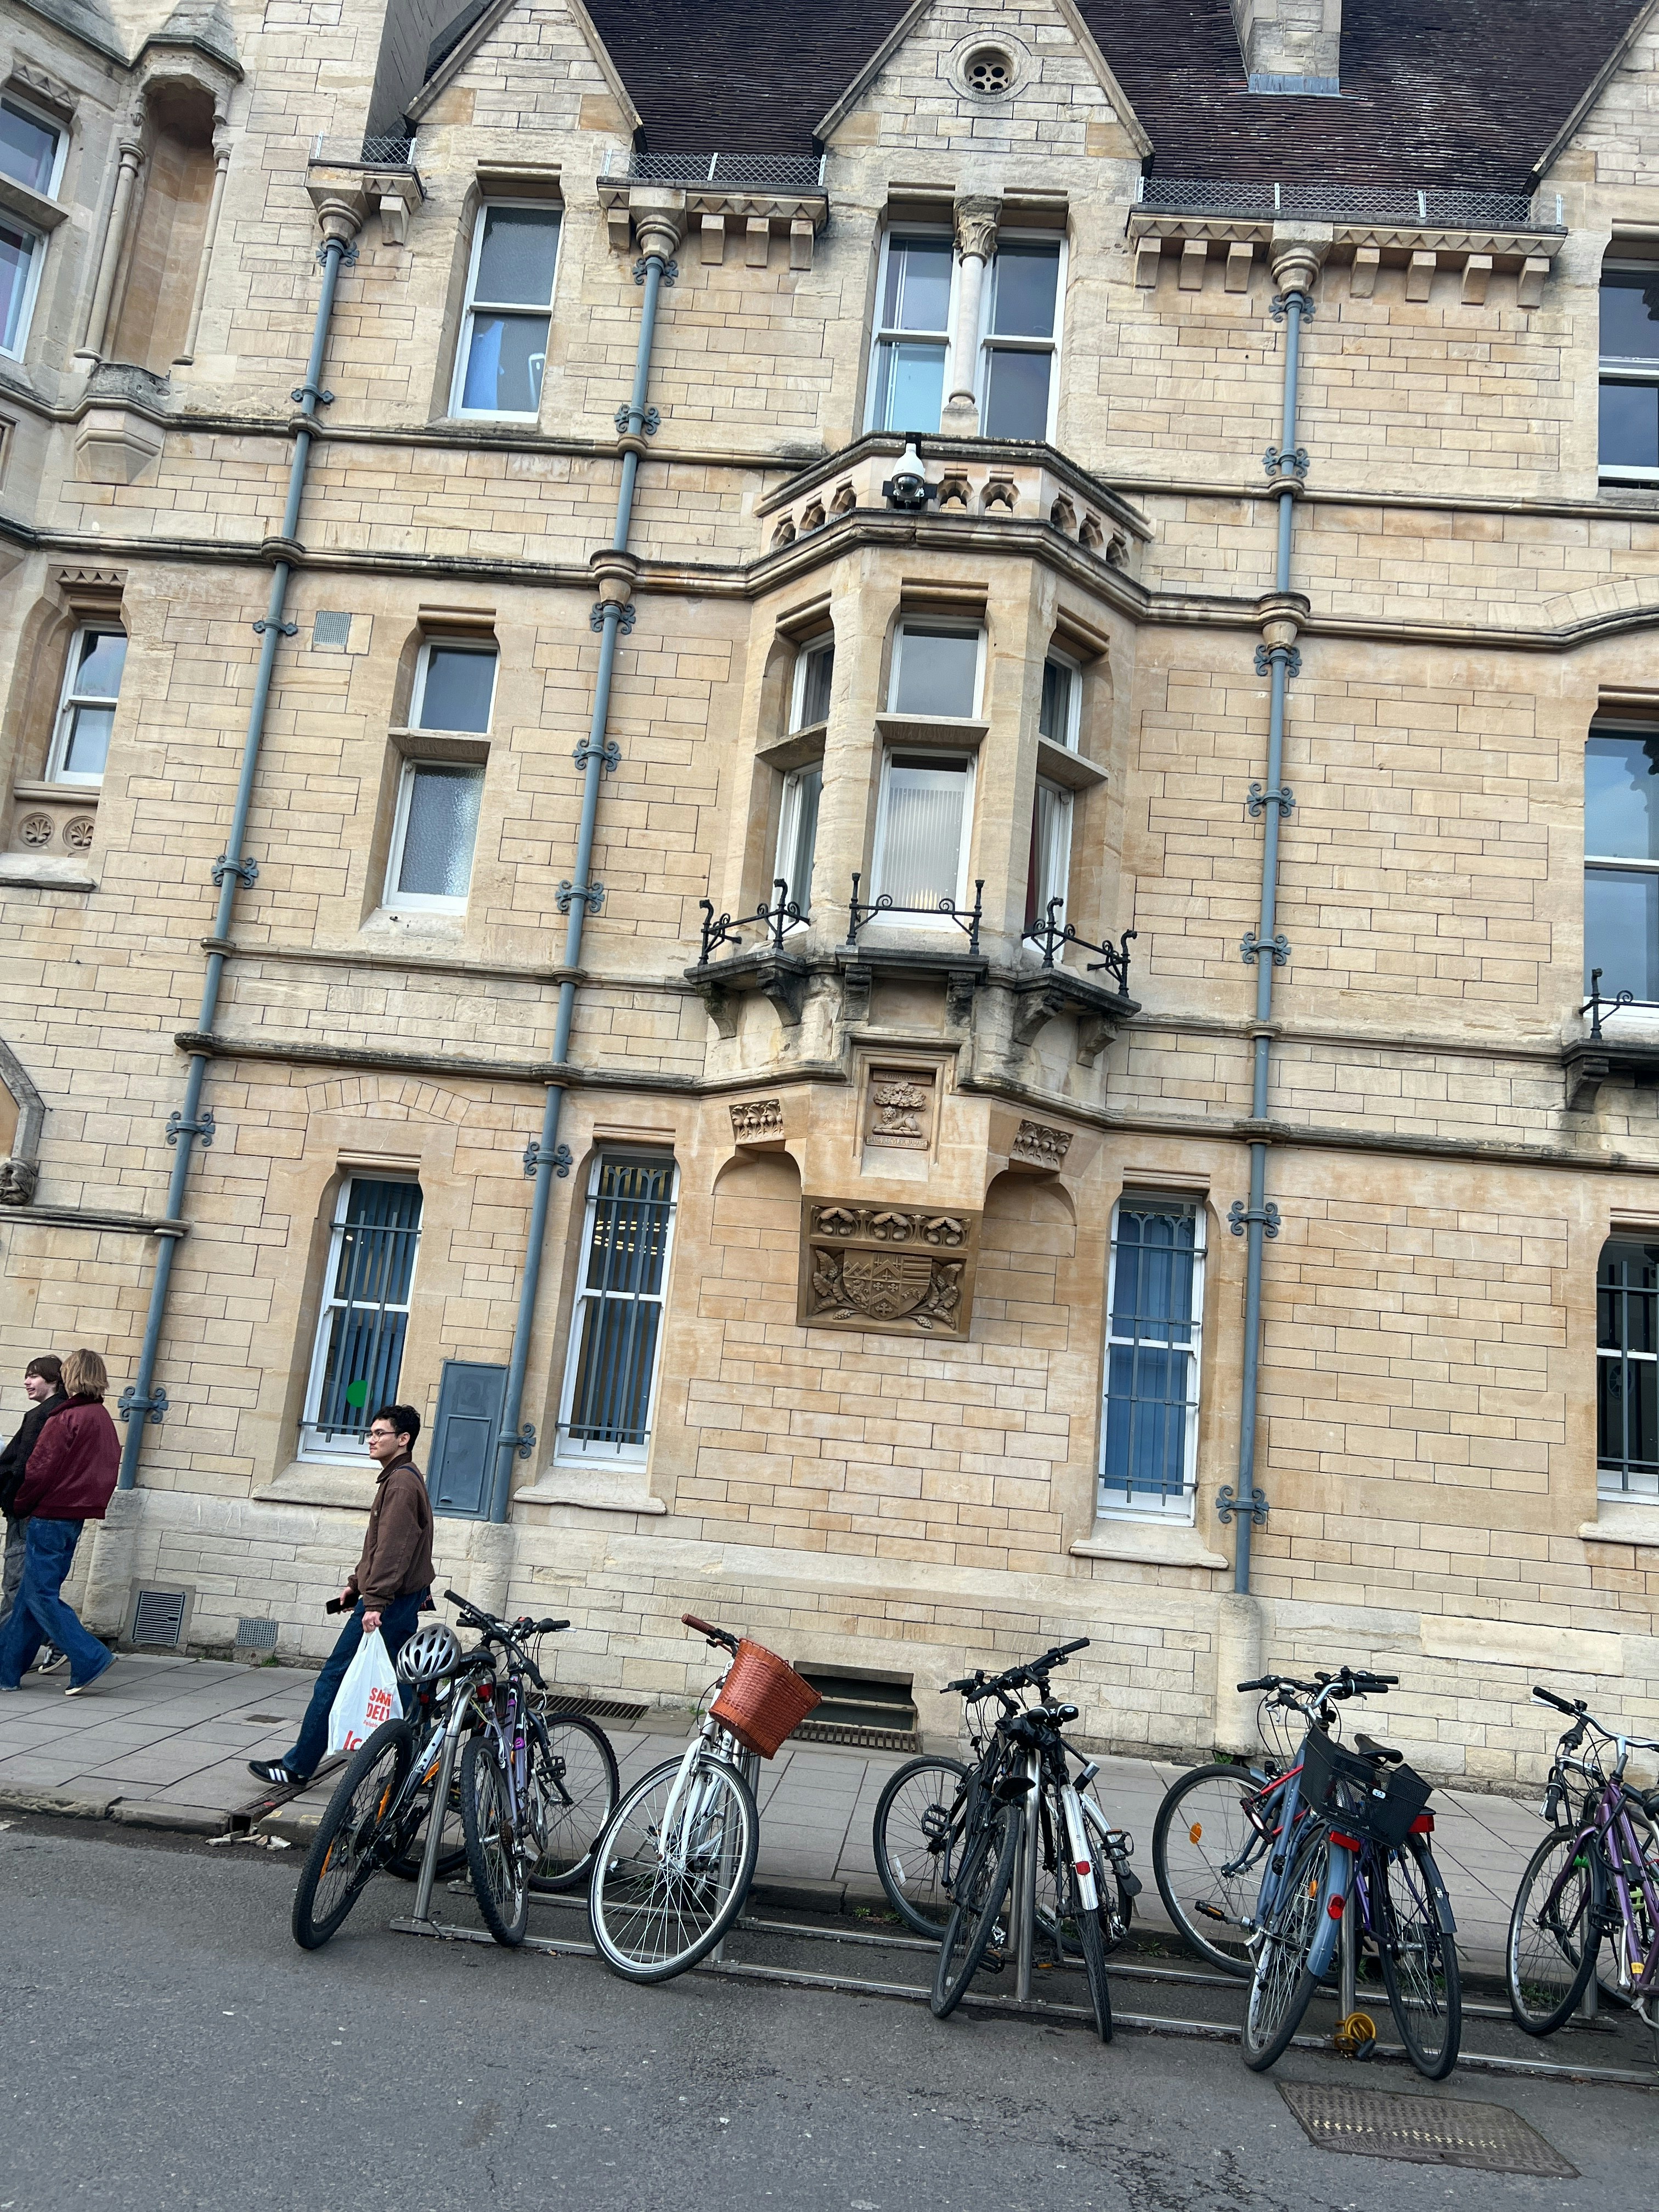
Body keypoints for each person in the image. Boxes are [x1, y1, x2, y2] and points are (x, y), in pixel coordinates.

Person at [249, 1402, 433, 1787]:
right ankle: (424, 1763)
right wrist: (356, 1583)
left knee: (334, 1678)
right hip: (397, 1598)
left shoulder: (400, 1483)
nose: (371, 1439)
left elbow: (394, 1550)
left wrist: (374, 1601)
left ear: (403, 1440)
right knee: (400, 1684)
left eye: (380, 1433)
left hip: (389, 1602)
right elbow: (381, 1545)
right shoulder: (401, 1478)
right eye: (371, 1432)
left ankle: (299, 1764)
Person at [0, 1347, 121, 1696]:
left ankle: (90, 1655)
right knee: (28, 1596)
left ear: (71, 1376)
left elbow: (38, 1470)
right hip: (74, 1515)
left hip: (50, 1514)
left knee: (39, 1593)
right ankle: (6, 1672)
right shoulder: (100, 1417)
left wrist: (20, 1503)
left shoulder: (66, 1417)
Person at [0, 1356, 69, 1669]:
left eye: (34, 1377)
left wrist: (14, 1502)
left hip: (27, 1513)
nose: (27, 1382)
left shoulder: (45, 1416)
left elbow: (24, 1467)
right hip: (38, 1511)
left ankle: (56, 1641)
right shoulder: (57, 1413)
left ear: (53, 1380)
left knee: (18, 1585)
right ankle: (57, 1641)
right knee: (29, 1585)